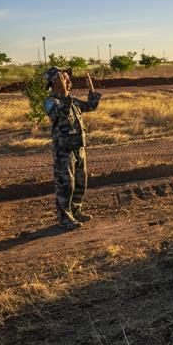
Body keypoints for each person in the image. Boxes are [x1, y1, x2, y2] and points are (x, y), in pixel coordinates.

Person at [43, 67, 101, 229]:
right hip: (64, 151)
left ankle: (76, 211)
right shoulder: (51, 101)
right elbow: (58, 112)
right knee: (66, 185)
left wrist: (91, 88)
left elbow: (91, 106)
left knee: (80, 183)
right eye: (64, 78)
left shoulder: (73, 100)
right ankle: (65, 218)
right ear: (54, 82)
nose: (68, 81)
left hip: (79, 149)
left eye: (68, 78)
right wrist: (63, 94)